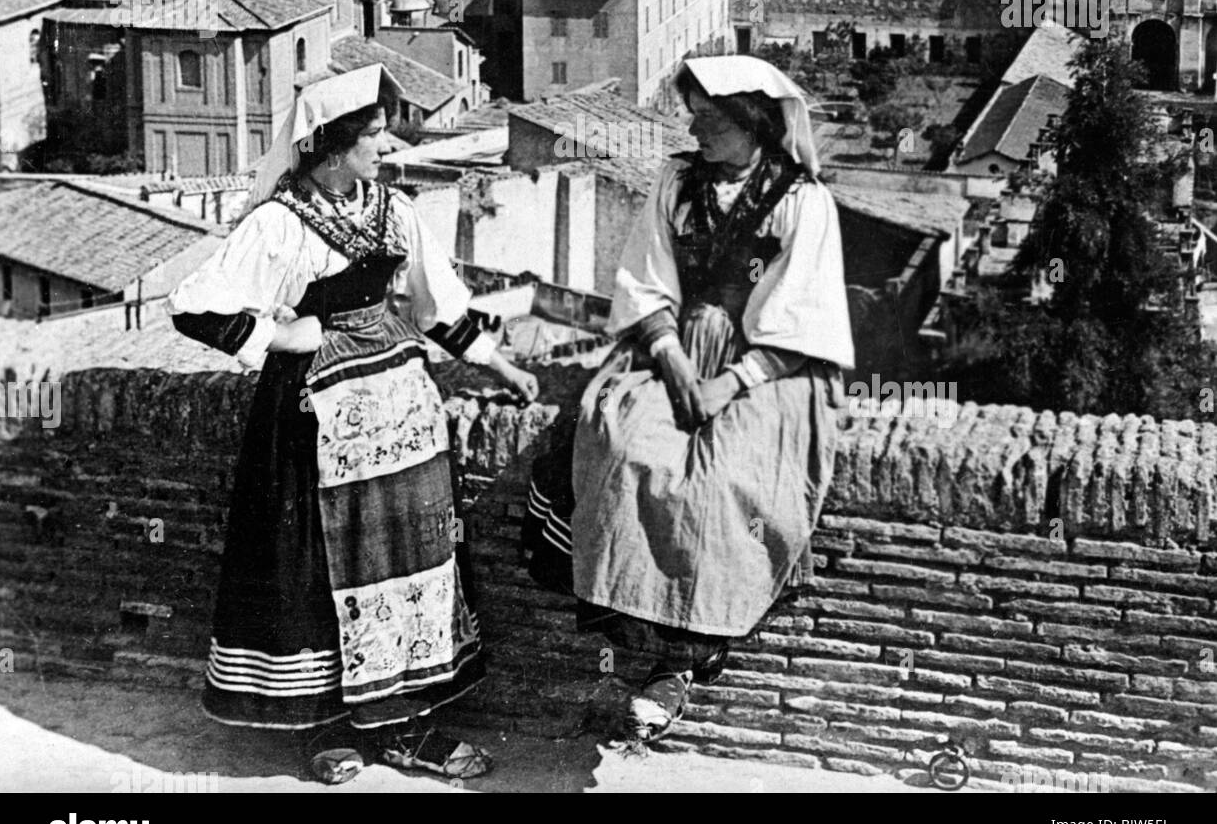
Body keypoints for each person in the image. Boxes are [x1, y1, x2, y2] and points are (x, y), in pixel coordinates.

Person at [167, 64, 538, 783]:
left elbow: (438, 308)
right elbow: (194, 304)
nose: (385, 144)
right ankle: (325, 727)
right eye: (372, 135)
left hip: (401, 416)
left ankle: (409, 727)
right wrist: (281, 336)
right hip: (311, 421)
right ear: (330, 148)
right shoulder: (277, 223)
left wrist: (501, 368)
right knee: (320, 565)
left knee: (410, 563)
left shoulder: (394, 210)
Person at [522, 54, 853, 740]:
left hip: (766, 367)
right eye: (694, 115)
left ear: (754, 122)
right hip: (670, 346)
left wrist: (727, 383)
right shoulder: (676, 180)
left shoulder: (801, 200)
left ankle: (682, 660)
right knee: (617, 447)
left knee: (723, 482)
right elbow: (645, 278)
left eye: (712, 120)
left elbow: (801, 315)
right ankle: (631, 640)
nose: (696, 129)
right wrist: (674, 366)